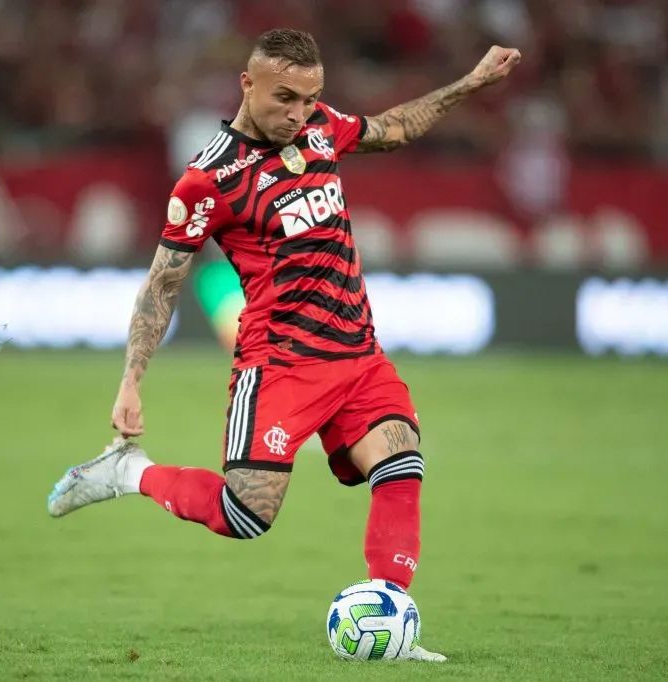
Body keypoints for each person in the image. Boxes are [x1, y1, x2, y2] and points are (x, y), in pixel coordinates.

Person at [47, 28, 520, 662]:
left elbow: (395, 127)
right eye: (285, 98)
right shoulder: (207, 181)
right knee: (247, 515)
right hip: (280, 366)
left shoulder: (320, 128)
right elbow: (162, 284)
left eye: (310, 98)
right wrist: (131, 379)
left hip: (358, 354)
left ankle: (390, 623)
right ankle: (129, 473)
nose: (299, 113)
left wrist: (474, 81)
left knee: (401, 463)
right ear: (247, 85)